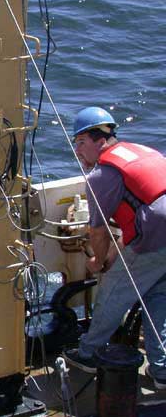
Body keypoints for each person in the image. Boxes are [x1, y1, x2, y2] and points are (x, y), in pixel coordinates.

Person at [63, 106, 166, 389]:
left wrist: (98, 261)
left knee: (113, 293)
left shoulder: (102, 176)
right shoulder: (142, 151)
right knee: (157, 296)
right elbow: (142, 208)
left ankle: (88, 353)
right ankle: (162, 370)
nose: (78, 151)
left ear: (102, 140)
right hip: (158, 236)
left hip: (156, 237)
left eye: (82, 142)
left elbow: (98, 231)